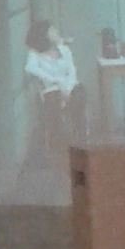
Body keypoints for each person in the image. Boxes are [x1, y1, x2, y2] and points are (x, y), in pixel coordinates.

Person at [23, 18, 81, 163]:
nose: (56, 32)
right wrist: (55, 81)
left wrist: (67, 88)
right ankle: (59, 143)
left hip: (68, 87)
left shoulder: (64, 50)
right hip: (50, 89)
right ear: (44, 35)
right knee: (53, 101)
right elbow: (31, 68)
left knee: (79, 94)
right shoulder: (35, 53)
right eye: (52, 30)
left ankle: (78, 137)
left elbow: (72, 71)